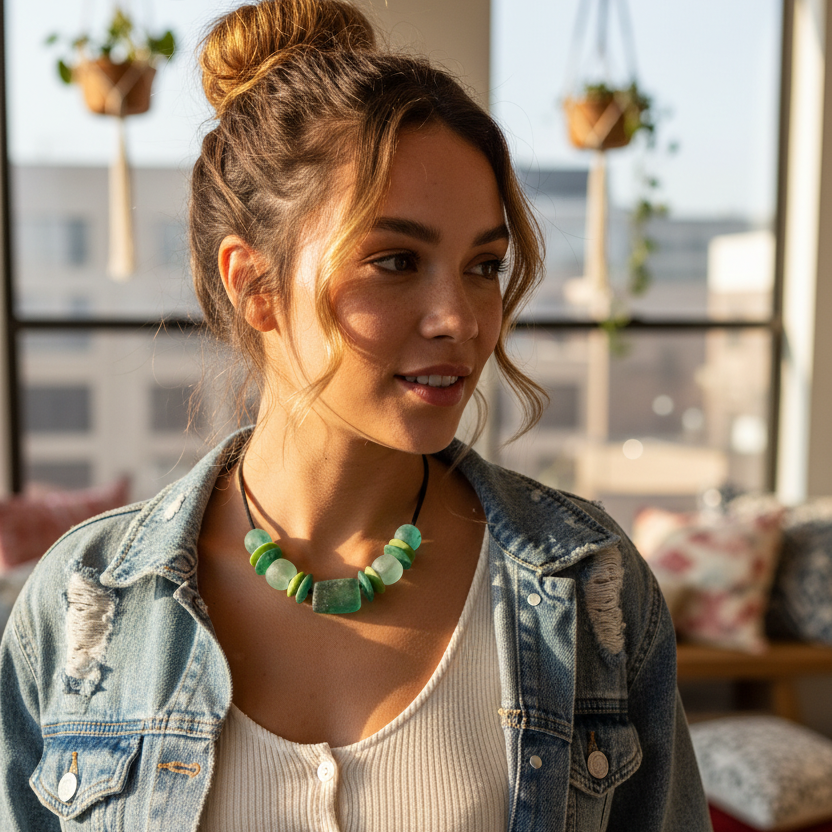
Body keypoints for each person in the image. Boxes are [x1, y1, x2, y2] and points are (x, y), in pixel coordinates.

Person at [0, 1, 712, 829]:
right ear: (255, 285)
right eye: (396, 261)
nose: (461, 318)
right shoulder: (83, 606)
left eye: (485, 265)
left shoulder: (593, 590)